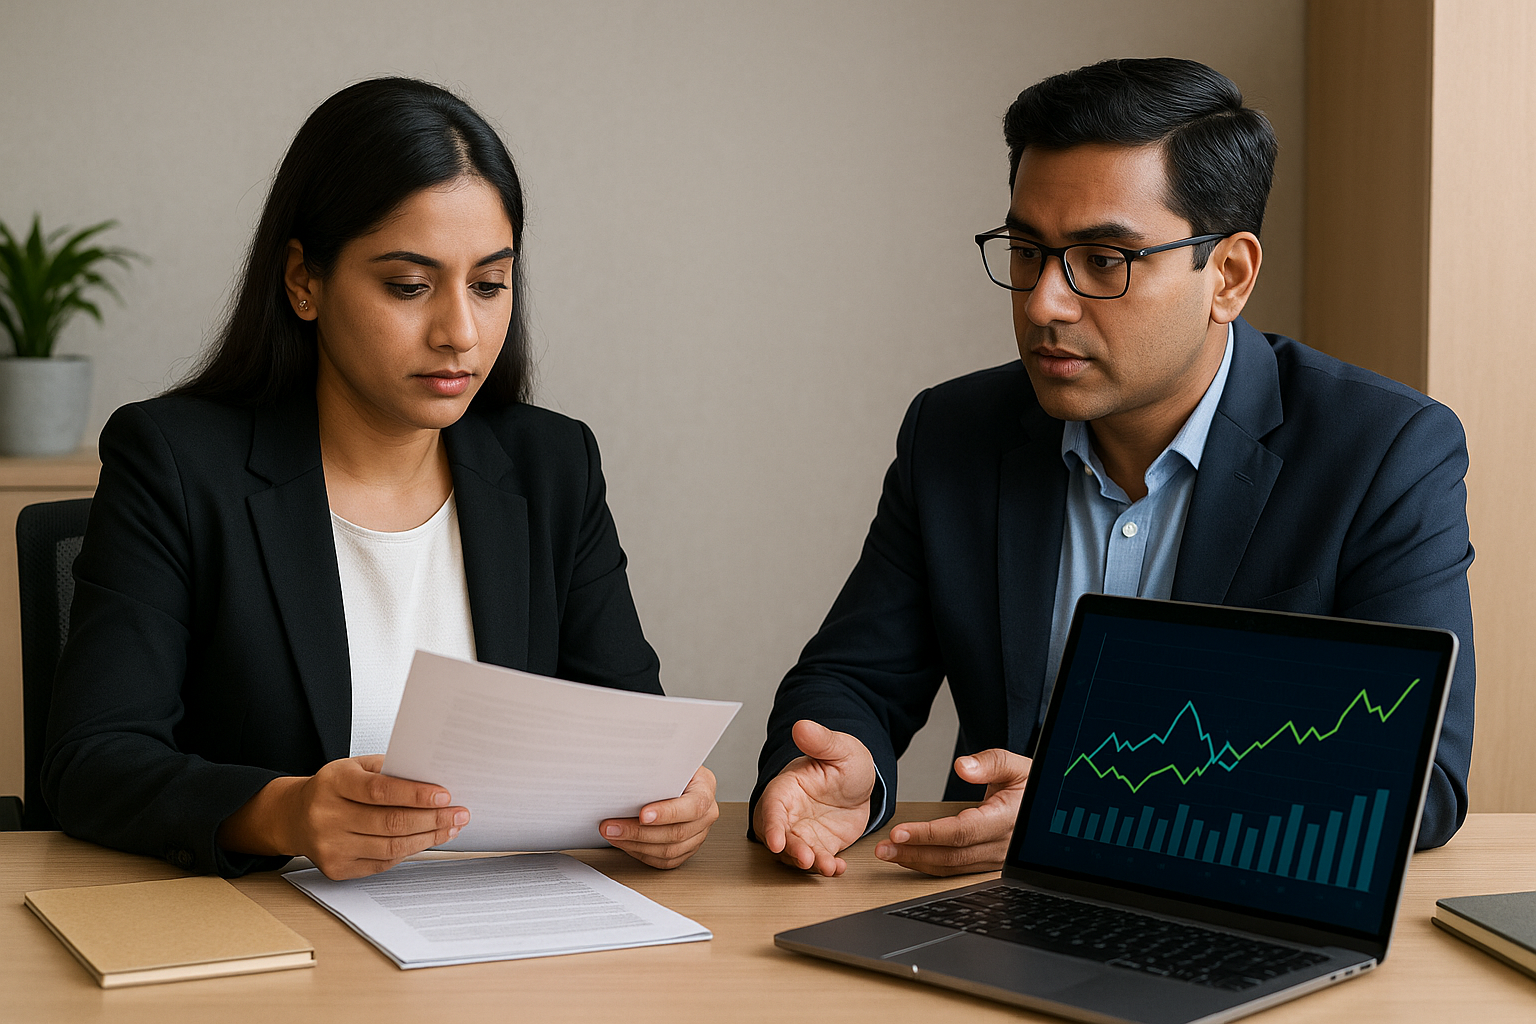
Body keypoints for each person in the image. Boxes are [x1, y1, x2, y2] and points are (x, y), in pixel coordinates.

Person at [751, 57, 1475, 878]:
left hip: (1236, 907)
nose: (1042, 304)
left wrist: (1087, 810)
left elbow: (1423, 781)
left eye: (1103, 260)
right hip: (999, 911)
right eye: (1027, 250)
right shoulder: (953, 432)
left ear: (1228, 276)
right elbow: (854, 676)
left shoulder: (1383, 451)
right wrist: (833, 764)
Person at [42, 78, 718, 880]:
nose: (460, 331)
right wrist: (283, 812)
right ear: (304, 280)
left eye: (490, 284)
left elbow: (636, 735)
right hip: (271, 945)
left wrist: (676, 802)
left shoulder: (553, 467)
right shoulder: (177, 462)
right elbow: (91, 762)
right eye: (409, 286)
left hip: (503, 938)